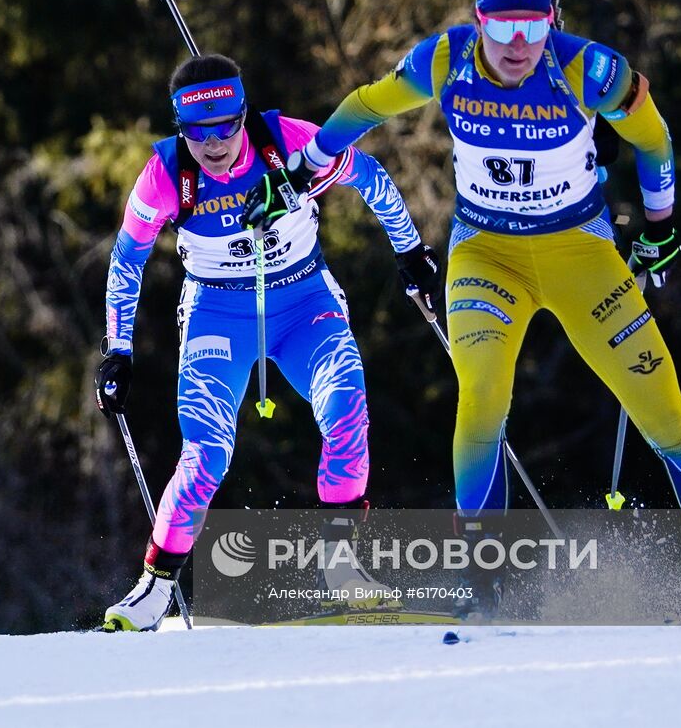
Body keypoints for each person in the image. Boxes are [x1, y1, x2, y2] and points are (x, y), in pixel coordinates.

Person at [240, 0, 681, 622]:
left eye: (533, 27)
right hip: (487, 256)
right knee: (480, 396)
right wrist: (308, 166)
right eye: (503, 27)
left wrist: (660, 224)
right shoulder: (445, 60)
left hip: (580, 255)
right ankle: (485, 586)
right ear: (479, 19)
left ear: (551, 21)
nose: (517, 44)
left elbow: (654, 141)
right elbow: (366, 104)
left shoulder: (587, 70)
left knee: (667, 414)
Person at [96, 53, 441, 631]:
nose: (212, 144)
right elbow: (126, 258)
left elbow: (373, 179)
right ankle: (154, 589)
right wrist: (118, 349)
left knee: (346, 410)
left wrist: (411, 252)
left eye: (225, 126)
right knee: (205, 454)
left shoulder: (289, 143)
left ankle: (341, 563)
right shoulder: (166, 173)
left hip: (303, 301)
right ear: (181, 128)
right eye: (196, 131)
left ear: (242, 114)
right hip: (216, 312)